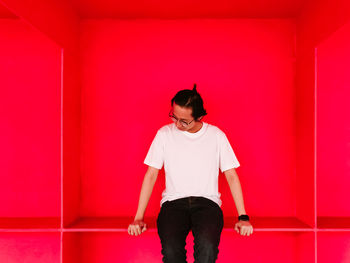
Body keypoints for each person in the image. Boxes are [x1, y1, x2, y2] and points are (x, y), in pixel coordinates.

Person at [128, 84, 253, 262]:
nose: (177, 125)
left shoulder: (216, 135)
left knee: (207, 249)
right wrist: (138, 218)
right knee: (171, 252)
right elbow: (151, 175)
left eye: (184, 121)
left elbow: (231, 176)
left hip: (207, 204)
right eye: (174, 117)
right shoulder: (164, 134)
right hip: (173, 204)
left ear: (199, 117)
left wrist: (243, 217)